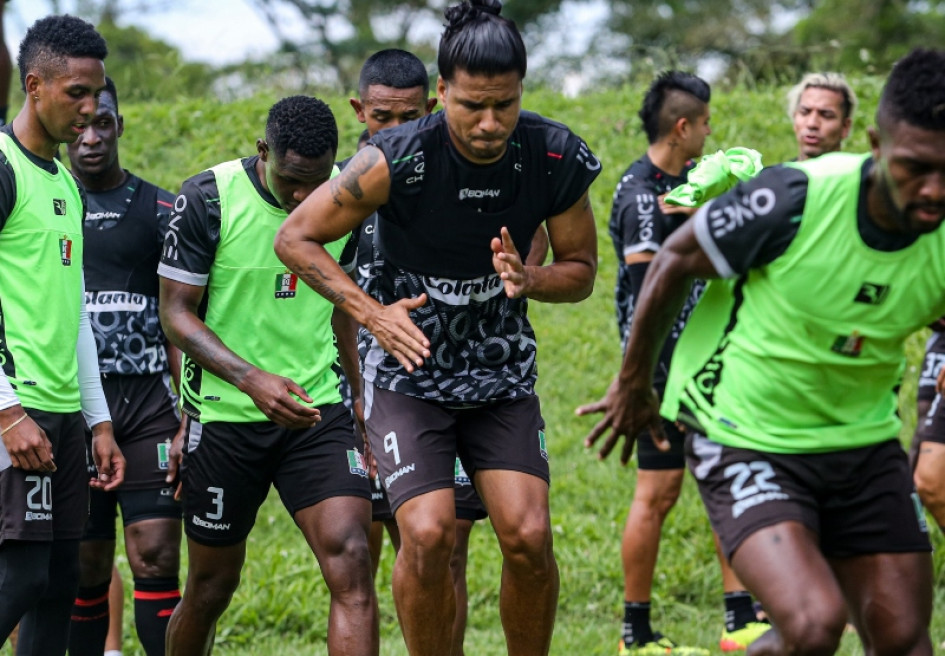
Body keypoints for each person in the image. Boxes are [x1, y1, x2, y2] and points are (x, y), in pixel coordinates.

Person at [580, 47, 945, 656]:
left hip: (862, 444)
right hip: (749, 436)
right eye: (915, 167)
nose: (933, 190)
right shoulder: (796, 198)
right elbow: (673, 260)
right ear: (877, 146)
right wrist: (634, 383)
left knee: (905, 639)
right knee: (812, 624)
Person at [275, 2, 601, 654]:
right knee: (428, 535)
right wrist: (372, 314)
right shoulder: (394, 158)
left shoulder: (553, 154)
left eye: (503, 105)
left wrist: (529, 279)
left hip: (498, 373)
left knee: (529, 539)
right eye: (471, 105)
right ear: (441, 94)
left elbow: (581, 270)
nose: (488, 124)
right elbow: (295, 238)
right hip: (408, 371)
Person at [158, 95, 377, 656]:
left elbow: (340, 308)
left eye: (319, 179)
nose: (306, 197)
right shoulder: (207, 198)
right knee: (211, 587)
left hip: (316, 413)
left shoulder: (344, 200)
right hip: (227, 419)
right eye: (292, 180)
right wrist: (251, 379)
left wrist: (358, 397)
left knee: (353, 560)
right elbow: (176, 315)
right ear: (264, 151)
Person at [577, 71, 765, 655]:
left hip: (708, 367)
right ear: (683, 127)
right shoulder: (640, 192)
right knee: (657, 495)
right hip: (662, 374)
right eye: (706, 123)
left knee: (722, 484)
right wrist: (649, 381)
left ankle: (739, 623)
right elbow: (644, 289)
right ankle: (635, 634)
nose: (711, 133)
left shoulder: (691, 184)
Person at [0, 14, 124, 655]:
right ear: (34, 85)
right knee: (17, 577)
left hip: (64, 415)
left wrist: (97, 421)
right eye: (75, 92)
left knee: (58, 580)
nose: (89, 108)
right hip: (15, 411)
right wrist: (6, 411)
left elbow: (74, 313)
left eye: (97, 93)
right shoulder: (2, 167)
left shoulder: (65, 184)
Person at [66, 76, 183, 656]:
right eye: (81, 126)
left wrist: (192, 412)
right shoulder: (42, 205)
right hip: (72, 410)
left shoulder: (162, 209)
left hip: (149, 411)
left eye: (103, 123)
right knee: (85, 566)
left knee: (156, 554)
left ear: (120, 125)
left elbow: (187, 321)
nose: (91, 137)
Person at [787, 72, 857, 161]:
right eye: (804, 112)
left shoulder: (860, 174)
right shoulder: (772, 174)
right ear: (795, 117)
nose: (811, 123)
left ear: (845, 127)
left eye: (826, 115)